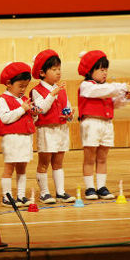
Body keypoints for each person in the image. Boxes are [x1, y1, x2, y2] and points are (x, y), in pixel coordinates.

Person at [77, 50, 130, 200]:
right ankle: (90, 187)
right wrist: (122, 87)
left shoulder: (107, 88)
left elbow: (114, 103)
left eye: (106, 70)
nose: (105, 73)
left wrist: (126, 97)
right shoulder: (87, 86)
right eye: (101, 69)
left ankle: (101, 187)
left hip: (106, 124)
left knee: (103, 158)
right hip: (91, 124)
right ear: (90, 71)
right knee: (89, 157)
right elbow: (102, 91)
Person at [31, 50, 75, 204]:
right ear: (42, 73)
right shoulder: (37, 91)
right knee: (44, 163)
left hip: (61, 129)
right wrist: (52, 94)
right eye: (54, 69)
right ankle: (44, 193)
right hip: (46, 130)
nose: (58, 72)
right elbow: (41, 108)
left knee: (58, 162)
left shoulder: (60, 88)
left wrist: (70, 115)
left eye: (59, 69)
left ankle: (60, 192)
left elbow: (67, 106)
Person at [0, 62, 39, 207]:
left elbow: (30, 120)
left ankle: (21, 195)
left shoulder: (24, 99)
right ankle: (6, 197)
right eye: (20, 86)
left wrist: (33, 114)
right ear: (9, 83)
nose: (23, 89)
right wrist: (22, 109)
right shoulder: (3, 99)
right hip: (12, 138)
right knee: (9, 168)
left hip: (25, 138)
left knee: (22, 168)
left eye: (25, 86)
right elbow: (5, 118)